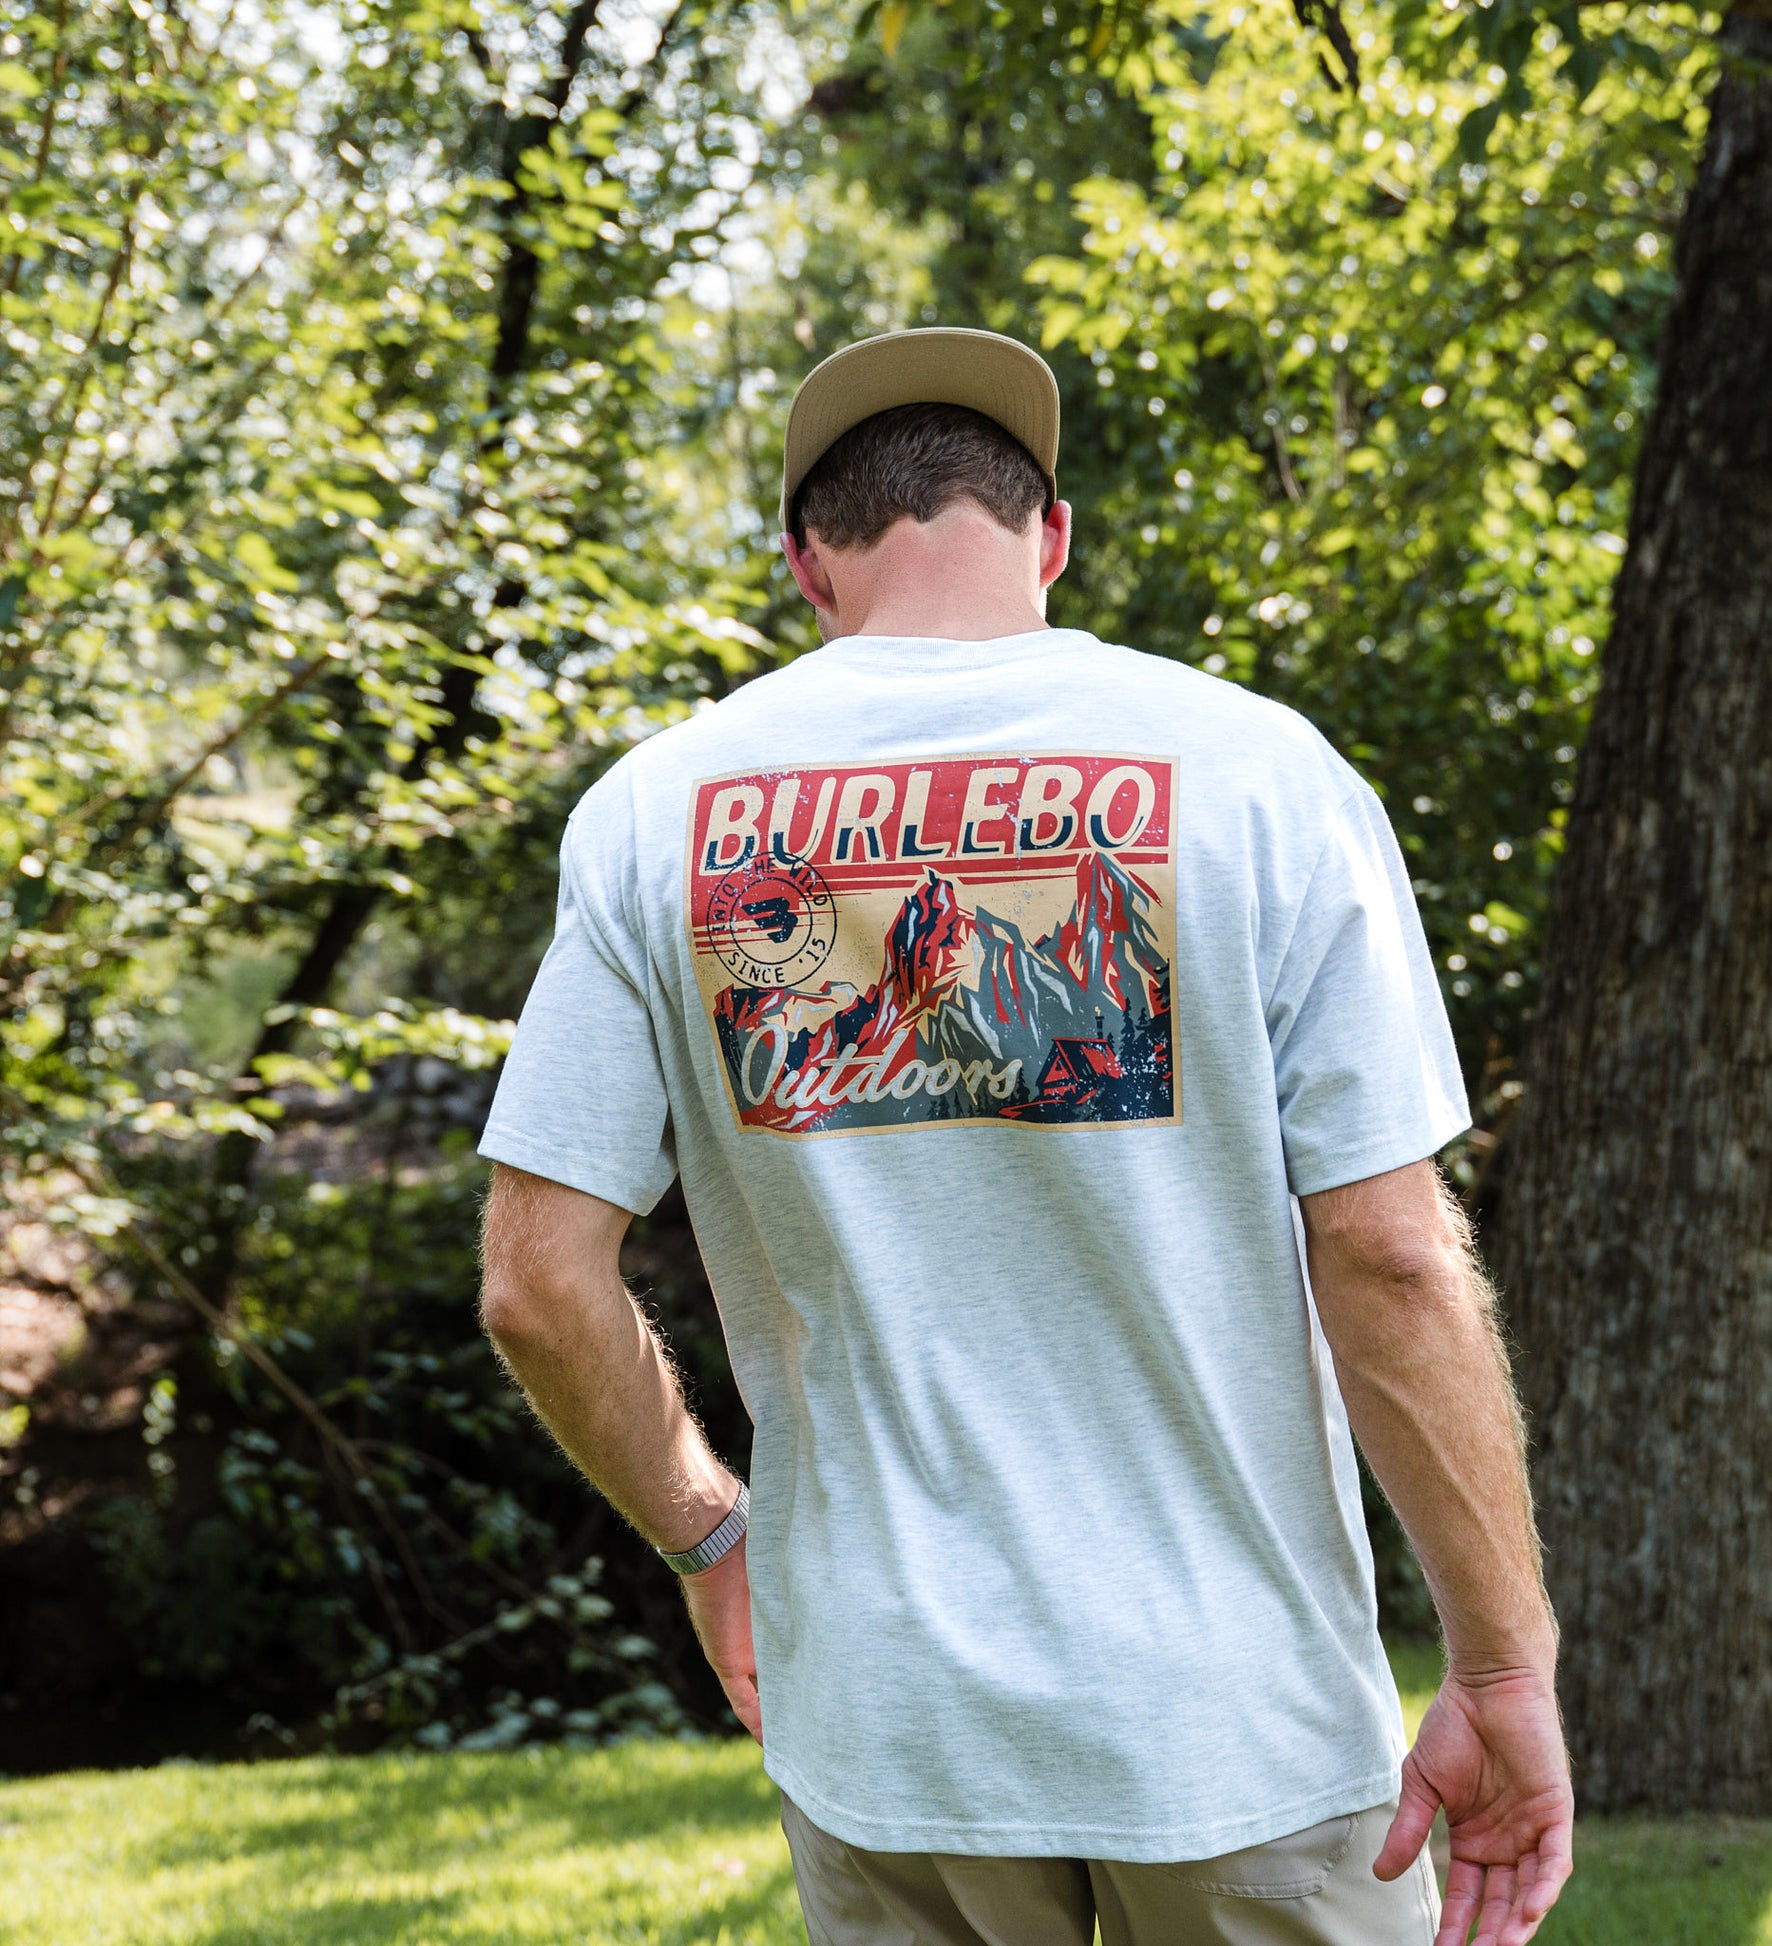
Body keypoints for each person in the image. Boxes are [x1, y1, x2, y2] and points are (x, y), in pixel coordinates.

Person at [476, 326, 1572, 1946]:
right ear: (1048, 535)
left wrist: (711, 1533)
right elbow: (1393, 1255)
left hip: (890, 1731)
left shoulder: (659, 809)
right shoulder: (1260, 774)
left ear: (805, 564)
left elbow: (534, 1282)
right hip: (1235, 1722)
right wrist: (1496, 1661)